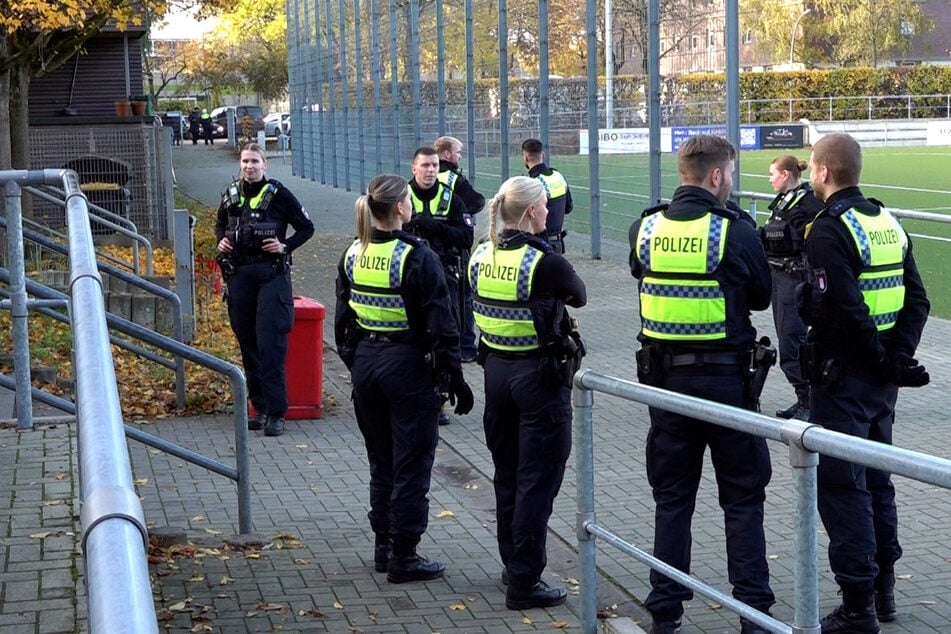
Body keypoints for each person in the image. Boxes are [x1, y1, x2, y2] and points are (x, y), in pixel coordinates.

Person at [628, 134, 774, 634]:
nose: (730, 182)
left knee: (672, 499)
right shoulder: (734, 232)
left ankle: (664, 610)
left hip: (664, 387)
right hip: (727, 385)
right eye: (729, 174)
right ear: (716, 176)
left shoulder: (644, 229)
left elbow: (640, 274)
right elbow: (760, 298)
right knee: (742, 499)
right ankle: (754, 615)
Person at [799, 133, 930, 633]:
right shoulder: (885, 221)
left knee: (843, 486)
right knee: (879, 482)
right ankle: (883, 593)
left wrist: (881, 360)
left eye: (813, 168)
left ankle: (857, 605)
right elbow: (916, 300)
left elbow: (845, 310)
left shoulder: (828, 230)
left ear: (824, 172)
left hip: (847, 378)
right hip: (880, 383)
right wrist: (896, 360)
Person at [334, 173, 474, 584]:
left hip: (367, 365)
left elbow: (343, 322)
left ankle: (383, 546)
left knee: (382, 462)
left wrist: (356, 362)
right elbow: (443, 324)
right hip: (408, 366)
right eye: (409, 201)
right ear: (399, 208)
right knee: (412, 463)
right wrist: (455, 377)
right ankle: (404, 554)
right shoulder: (417, 256)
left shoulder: (353, 253)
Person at [469, 175, 587, 610]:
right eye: (543, 207)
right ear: (532, 211)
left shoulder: (481, 252)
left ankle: (512, 565)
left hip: (496, 374)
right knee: (538, 483)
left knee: (508, 475)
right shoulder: (544, 259)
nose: (548, 212)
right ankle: (525, 582)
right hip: (538, 380)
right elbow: (580, 296)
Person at [215, 143, 314, 437]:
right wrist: (221, 240)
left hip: (272, 276)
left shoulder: (279, 194)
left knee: (270, 344)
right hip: (240, 276)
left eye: (255, 161)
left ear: (265, 164)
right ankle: (258, 409)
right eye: (245, 161)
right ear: (240, 165)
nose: (249, 166)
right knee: (248, 344)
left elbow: (306, 228)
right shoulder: (231, 194)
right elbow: (220, 224)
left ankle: (276, 412)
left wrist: (285, 246)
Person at [405, 146, 475, 425]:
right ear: (414, 168)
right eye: (425, 165)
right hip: (409, 280)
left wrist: (434, 227)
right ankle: (414, 392)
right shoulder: (401, 196)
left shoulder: (452, 200)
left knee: (446, 336)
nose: (431, 170)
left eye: (435, 165)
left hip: (445, 277)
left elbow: (466, 237)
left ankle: (441, 398)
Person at [760, 155, 823, 420]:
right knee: (791, 341)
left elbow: (814, 241)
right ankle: (805, 400)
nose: (770, 178)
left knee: (791, 345)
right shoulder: (785, 201)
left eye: (773, 174)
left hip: (795, 278)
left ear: (786, 175)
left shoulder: (808, 202)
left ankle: (809, 404)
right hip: (779, 277)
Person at [435, 135, 485, 364]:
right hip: (455, 247)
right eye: (457, 151)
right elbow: (477, 202)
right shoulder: (453, 179)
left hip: (430, 247)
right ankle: (465, 346)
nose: (459, 156)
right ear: (446, 154)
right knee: (464, 297)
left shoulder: (425, 177)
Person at [521, 138, 572, 254]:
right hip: (557, 243)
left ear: (526, 157)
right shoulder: (558, 176)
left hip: (537, 245)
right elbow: (568, 208)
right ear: (543, 155)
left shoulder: (532, 183)